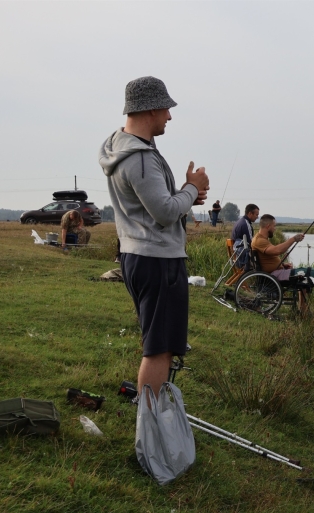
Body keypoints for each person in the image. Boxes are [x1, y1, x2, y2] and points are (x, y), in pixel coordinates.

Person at [98, 76, 209, 403]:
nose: (169, 117)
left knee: (156, 342)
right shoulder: (141, 158)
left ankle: (151, 416)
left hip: (136, 255)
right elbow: (162, 212)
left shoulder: (119, 147)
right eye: (166, 110)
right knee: (159, 348)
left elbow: (151, 205)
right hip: (158, 261)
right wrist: (192, 187)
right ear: (150, 110)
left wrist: (184, 196)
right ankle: (151, 427)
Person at [251, 214, 314, 284]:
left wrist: (283, 265)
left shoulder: (262, 239)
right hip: (274, 276)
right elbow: (276, 251)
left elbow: (268, 257)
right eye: (274, 226)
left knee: (305, 273)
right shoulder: (259, 240)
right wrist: (293, 239)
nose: (275, 229)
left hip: (277, 272)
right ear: (268, 226)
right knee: (306, 271)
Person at [231, 203, 259, 268]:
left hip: (237, 255)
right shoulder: (246, 224)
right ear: (250, 214)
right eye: (256, 215)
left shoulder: (240, 221)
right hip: (243, 259)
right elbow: (251, 243)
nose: (257, 217)